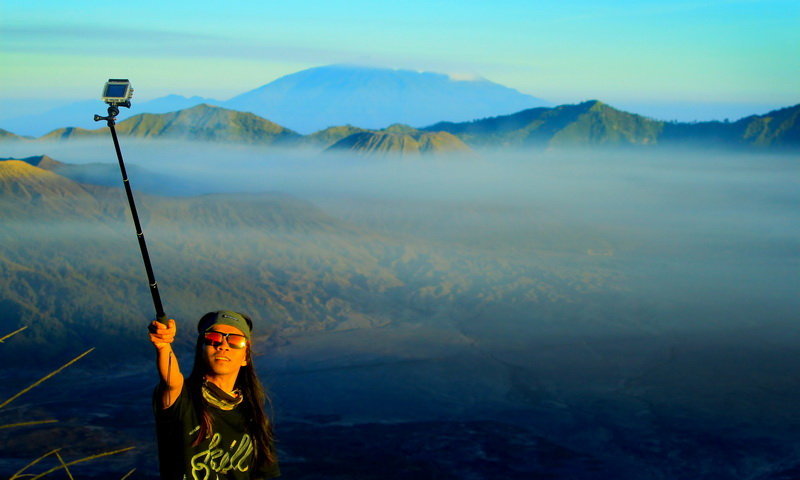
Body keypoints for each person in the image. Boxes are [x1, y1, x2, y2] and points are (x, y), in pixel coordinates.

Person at [149, 310, 280, 480]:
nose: (223, 345)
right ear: (201, 349)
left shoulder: (255, 416)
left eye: (235, 341)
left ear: (245, 357)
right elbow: (171, 381)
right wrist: (163, 346)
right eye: (214, 338)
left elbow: (262, 475)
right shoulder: (182, 399)